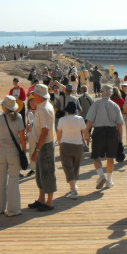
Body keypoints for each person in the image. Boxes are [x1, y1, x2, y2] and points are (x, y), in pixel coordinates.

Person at [86, 84, 124, 190]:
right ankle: (109, 180)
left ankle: (101, 176)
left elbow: (89, 121)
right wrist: (120, 140)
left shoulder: (96, 104)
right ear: (111, 94)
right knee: (110, 157)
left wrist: (86, 134)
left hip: (98, 131)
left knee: (96, 156)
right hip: (112, 132)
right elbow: (120, 125)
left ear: (102, 92)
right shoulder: (115, 106)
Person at [29, 84, 57, 212]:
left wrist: (37, 150)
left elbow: (45, 132)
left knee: (47, 172)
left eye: (34, 94)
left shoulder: (44, 109)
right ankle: (41, 199)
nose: (33, 95)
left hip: (44, 145)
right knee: (40, 173)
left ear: (39, 96)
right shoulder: (42, 107)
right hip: (41, 143)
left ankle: (49, 201)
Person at [57, 101, 90, 199]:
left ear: (67, 111)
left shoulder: (62, 120)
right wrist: (87, 140)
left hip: (65, 145)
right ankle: (73, 185)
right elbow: (85, 132)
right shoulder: (80, 119)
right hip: (78, 146)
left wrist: (59, 142)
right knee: (76, 166)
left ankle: (73, 190)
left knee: (68, 167)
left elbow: (59, 134)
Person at [22, 95, 38, 178]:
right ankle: (33, 168)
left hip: (39, 133)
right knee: (32, 150)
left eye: (34, 101)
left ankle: (39, 167)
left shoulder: (40, 110)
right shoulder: (28, 111)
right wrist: (26, 133)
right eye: (31, 101)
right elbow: (26, 122)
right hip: (31, 133)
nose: (32, 103)